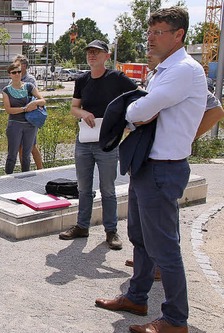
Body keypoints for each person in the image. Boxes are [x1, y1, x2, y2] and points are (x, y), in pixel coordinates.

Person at [95, 7, 206, 333]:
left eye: (158, 32)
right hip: (148, 166)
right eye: (150, 32)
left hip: (163, 168)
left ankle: (175, 320)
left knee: (164, 249)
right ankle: (137, 296)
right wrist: (138, 110)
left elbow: (141, 109)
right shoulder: (166, 69)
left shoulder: (183, 69)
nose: (150, 38)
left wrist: (133, 111)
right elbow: (143, 109)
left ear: (178, 35)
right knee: (141, 238)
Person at [58, 39, 137, 250]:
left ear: (106, 56)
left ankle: (111, 231)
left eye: (97, 52)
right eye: (89, 52)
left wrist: (126, 121)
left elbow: (137, 98)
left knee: (108, 189)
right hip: (85, 140)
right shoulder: (82, 80)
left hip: (108, 142)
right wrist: (83, 113)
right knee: (83, 187)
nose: (92, 55)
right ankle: (82, 226)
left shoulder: (117, 78)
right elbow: (74, 107)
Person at [2, 61, 45, 174]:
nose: (17, 74)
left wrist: (34, 104)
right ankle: (8, 179)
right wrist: (25, 109)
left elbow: (43, 100)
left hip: (30, 125)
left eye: (19, 72)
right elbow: (8, 109)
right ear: (9, 74)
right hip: (14, 125)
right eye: (14, 72)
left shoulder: (29, 86)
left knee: (26, 156)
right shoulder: (6, 90)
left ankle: (26, 179)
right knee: (12, 154)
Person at [15, 54, 43, 170]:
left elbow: (35, 97)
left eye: (18, 64)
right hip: (17, 115)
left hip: (29, 117)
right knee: (20, 146)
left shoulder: (30, 79)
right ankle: (24, 171)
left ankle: (40, 169)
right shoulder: (13, 77)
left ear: (24, 66)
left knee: (31, 145)